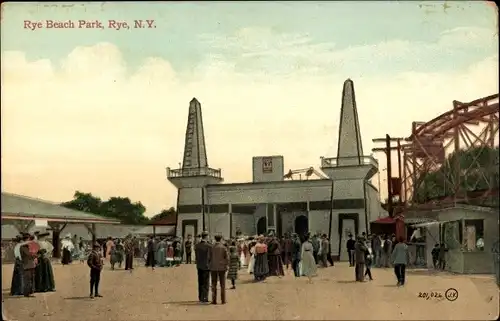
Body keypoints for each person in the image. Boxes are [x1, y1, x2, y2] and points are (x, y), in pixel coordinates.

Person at [209, 234, 229, 304]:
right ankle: (223, 300)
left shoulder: (212, 247)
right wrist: (226, 265)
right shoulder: (223, 247)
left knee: (213, 284)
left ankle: (214, 300)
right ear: (221, 239)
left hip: (213, 267)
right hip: (222, 267)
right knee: (222, 284)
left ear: (215, 239)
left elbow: (209, 257)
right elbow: (227, 258)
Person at [195, 231, 211, 303]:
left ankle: (200, 297)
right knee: (206, 282)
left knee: (200, 282)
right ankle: (205, 297)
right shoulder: (209, 246)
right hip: (206, 266)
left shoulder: (197, 245)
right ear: (206, 236)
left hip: (199, 265)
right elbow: (210, 256)